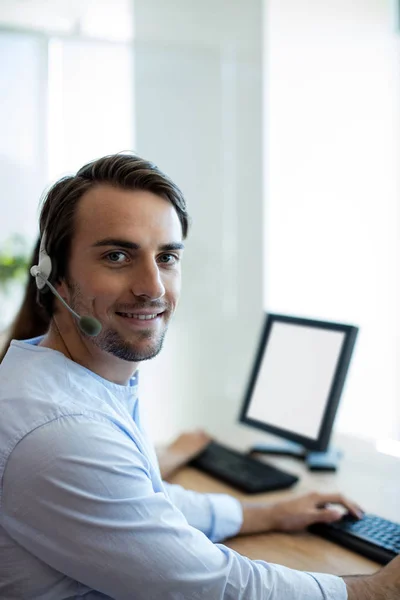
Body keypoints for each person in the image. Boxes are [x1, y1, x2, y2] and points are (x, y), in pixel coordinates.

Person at [0, 153, 398, 600]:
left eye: (167, 256)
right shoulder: (60, 431)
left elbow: (143, 503)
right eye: (117, 256)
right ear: (53, 274)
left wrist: (267, 514)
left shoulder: (69, 382)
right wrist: (380, 590)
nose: (152, 286)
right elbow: (213, 588)